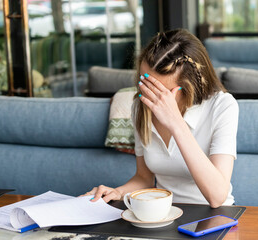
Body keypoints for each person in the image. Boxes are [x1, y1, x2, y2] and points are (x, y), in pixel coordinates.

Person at [82, 29, 239, 208]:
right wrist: (118, 192)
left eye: (158, 91)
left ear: (189, 87)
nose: (148, 96)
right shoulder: (140, 107)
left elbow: (217, 196)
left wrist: (176, 124)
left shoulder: (222, 106)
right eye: (144, 84)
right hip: (165, 214)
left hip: (214, 216)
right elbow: (144, 178)